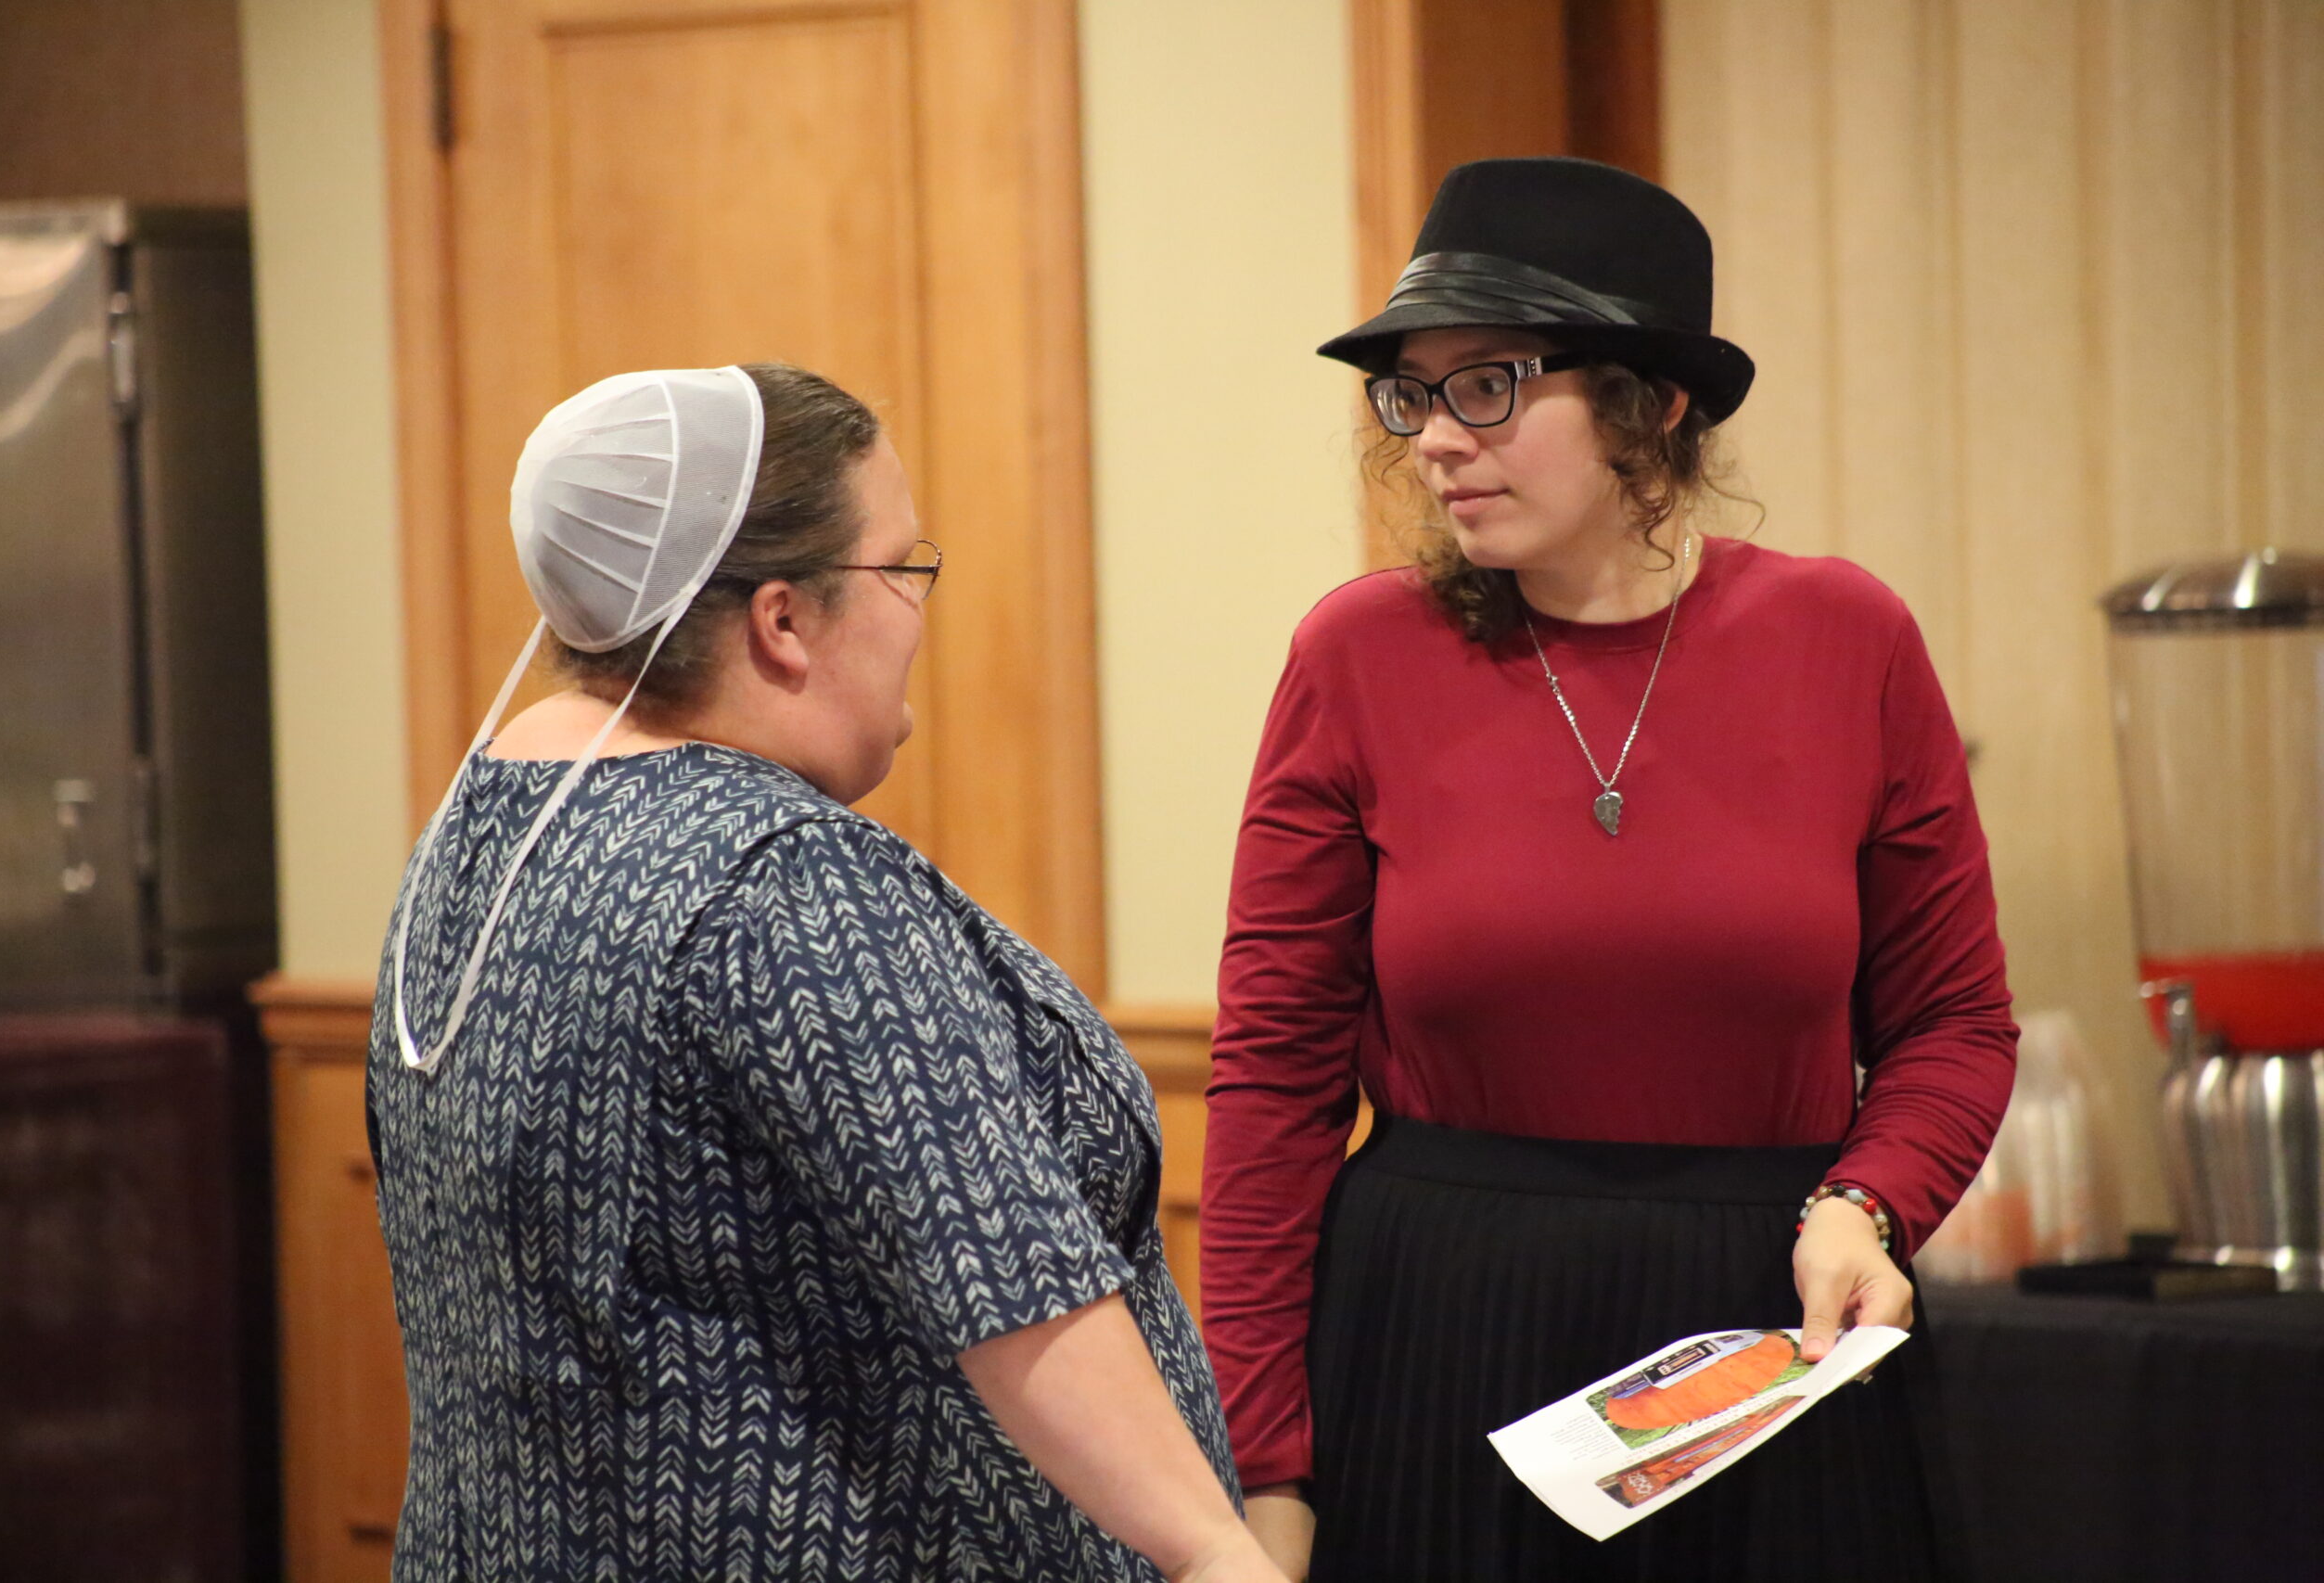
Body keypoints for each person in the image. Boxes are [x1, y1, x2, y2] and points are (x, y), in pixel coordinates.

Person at [1201, 159, 2016, 1582]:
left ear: (1654, 403)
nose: (1436, 439)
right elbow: (1273, 1086)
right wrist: (1261, 1472)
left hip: (1769, 1335)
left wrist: (1868, 1201)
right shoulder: (1359, 655)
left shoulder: (1845, 638)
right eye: (1414, 393)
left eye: (1490, 386)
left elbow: (1953, 1023)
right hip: (1437, 1333)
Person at [368, 363, 1285, 1582]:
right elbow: (1012, 1283)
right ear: (783, 621)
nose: (916, 612)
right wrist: (1214, 1550)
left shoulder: (481, 828)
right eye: (902, 569)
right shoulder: (784, 879)